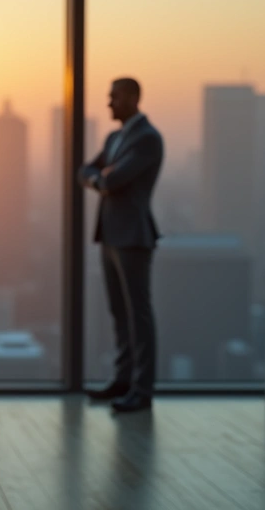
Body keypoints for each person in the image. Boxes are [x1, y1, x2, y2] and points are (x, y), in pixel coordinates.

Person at [78, 77, 164, 414]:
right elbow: (87, 171)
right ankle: (123, 379)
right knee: (118, 312)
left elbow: (111, 178)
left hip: (132, 236)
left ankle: (142, 390)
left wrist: (101, 179)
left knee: (138, 314)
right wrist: (101, 179)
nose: (109, 103)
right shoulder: (116, 137)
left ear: (131, 97)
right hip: (111, 234)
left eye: (113, 97)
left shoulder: (147, 139)